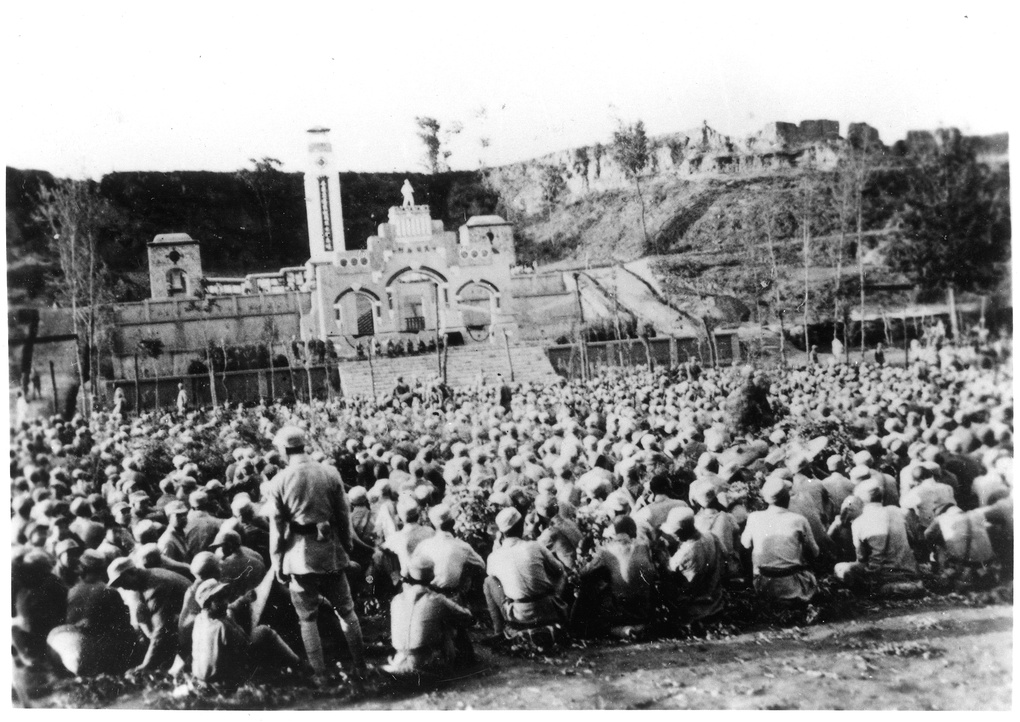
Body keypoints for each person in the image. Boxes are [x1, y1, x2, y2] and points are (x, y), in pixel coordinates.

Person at [264, 425, 366, 685]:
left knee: (307, 617)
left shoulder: (279, 481)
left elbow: (277, 528)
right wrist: (346, 546)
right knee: (346, 609)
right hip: (330, 551)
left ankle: (320, 675)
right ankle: (361, 666)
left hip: (299, 556)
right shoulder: (329, 472)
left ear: (285, 450)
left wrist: (277, 562)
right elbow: (343, 515)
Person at [190, 578, 303, 685]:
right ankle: (299, 664)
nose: (225, 602)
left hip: (201, 676)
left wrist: (243, 599)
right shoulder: (222, 626)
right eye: (220, 599)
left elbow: (229, 609)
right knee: (263, 631)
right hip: (223, 679)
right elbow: (245, 645)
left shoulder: (199, 619)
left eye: (225, 597)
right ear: (207, 604)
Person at [383, 556, 475, 675]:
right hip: (427, 661)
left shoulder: (397, 599)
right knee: (449, 625)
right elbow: (468, 617)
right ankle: (460, 664)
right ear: (432, 577)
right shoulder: (437, 599)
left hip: (399, 658)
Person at [484, 507, 567, 636]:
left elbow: (497, 583)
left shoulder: (494, 557)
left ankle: (499, 631)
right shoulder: (535, 545)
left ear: (501, 532)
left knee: (489, 581)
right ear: (522, 526)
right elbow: (560, 570)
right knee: (556, 570)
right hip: (548, 609)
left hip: (519, 614)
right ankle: (557, 605)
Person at [570, 516, 657, 639]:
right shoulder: (645, 546)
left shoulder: (606, 551)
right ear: (633, 531)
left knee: (589, 586)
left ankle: (622, 631)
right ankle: (643, 627)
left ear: (616, 532)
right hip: (645, 609)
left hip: (622, 610)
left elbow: (584, 573)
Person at [740, 476, 820, 604]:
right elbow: (815, 552)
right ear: (787, 497)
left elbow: (745, 544)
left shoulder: (754, 517)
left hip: (763, 583)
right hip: (792, 583)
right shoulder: (798, 520)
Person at [107, 555, 190, 673]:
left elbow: (162, 629)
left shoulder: (154, 588)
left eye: (123, 582)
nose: (124, 588)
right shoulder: (149, 576)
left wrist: (146, 665)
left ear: (132, 572)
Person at [834, 480, 919, 593]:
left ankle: (878, 588)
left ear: (860, 500)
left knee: (840, 568)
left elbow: (861, 558)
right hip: (909, 571)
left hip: (881, 576)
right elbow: (911, 539)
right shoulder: (897, 511)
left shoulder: (859, 521)